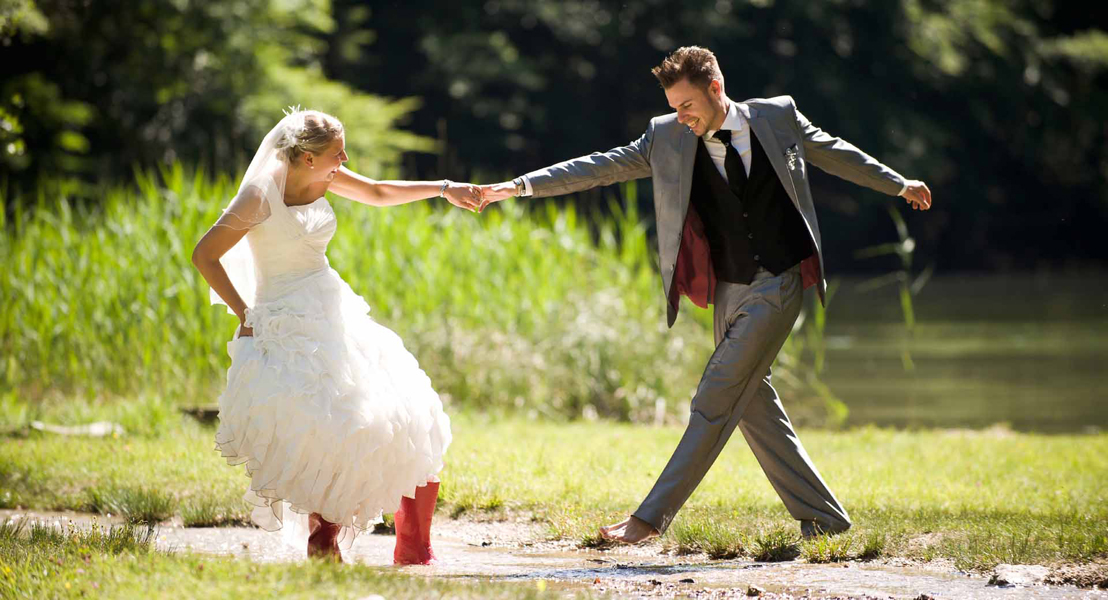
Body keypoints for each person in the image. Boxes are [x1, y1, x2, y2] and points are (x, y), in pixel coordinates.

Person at [480, 46, 932, 543]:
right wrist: (518, 186)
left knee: (714, 396)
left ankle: (648, 519)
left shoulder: (778, 117)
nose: (681, 116)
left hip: (777, 282)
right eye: (674, 106)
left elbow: (836, 151)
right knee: (753, 404)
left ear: (715, 88)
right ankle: (824, 518)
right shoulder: (666, 136)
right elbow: (598, 166)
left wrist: (898, 183)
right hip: (727, 288)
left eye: (687, 105)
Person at [191, 108, 479, 562]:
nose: (344, 157)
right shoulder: (258, 196)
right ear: (306, 158)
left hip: (331, 306)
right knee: (332, 425)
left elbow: (380, 192)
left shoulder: (326, 176)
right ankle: (322, 543)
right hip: (283, 321)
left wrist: (445, 189)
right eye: (336, 151)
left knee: (411, 408)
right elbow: (205, 254)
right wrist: (244, 312)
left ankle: (413, 548)